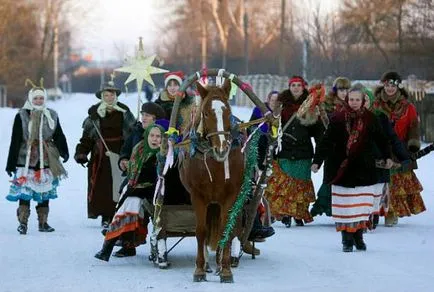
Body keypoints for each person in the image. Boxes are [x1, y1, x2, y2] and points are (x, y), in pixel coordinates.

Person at [312, 84, 393, 252]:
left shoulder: (371, 118)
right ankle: (346, 239)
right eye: (351, 99)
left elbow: (382, 139)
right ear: (347, 100)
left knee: (361, 206)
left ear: (363, 101)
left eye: (357, 99)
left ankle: (359, 236)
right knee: (345, 206)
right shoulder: (338, 117)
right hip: (342, 169)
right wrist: (317, 161)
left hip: (364, 168)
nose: (354, 102)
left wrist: (387, 157)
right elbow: (326, 141)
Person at [95, 123, 165, 262]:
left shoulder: (164, 154)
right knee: (129, 202)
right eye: (152, 135)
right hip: (136, 186)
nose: (155, 139)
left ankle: (109, 244)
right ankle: (119, 242)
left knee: (130, 203)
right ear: (147, 136)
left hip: (156, 189)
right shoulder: (139, 148)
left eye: (158, 136)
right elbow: (132, 173)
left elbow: (157, 177)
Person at [6, 80, 68, 234]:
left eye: (41, 98)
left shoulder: (51, 115)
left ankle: (43, 222)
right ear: (30, 99)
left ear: (45, 99)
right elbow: (15, 140)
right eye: (36, 98)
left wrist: (64, 151)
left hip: (46, 157)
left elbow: (59, 135)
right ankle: (23, 222)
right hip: (25, 157)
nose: (38, 101)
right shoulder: (21, 115)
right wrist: (11, 163)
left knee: (44, 190)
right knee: (25, 191)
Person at [264, 76, 325, 227]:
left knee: (300, 185)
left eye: (299, 85)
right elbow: (273, 130)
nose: (296, 88)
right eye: (293, 85)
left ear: (303, 87)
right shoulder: (281, 105)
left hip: (302, 153)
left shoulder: (312, 106)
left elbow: (319, 135)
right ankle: (285, 214)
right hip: (283, 151)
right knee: (284, 184)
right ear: (289, 87)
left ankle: (298, 214)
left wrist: (318, 160)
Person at [74, 81, 135, 229]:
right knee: (102, 187)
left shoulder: (124, 112)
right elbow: (87, 137)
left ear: (116, 96)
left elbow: (133, 133)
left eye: (112, 94)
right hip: (100, 156)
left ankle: (119, 213)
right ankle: (105, 217)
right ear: (102, 96)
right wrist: (82, 152)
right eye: (106, 95)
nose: (109, 97)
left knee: (119, 185)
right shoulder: (94, 114)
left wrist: (133, 151)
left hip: (120, 154)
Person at [372, 71, 425, 226]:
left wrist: (413, 144)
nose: (390, 88)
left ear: (398, 86)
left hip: (399, 148)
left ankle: (392, 213)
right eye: (387, 85)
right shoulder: (375, 105)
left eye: (393, 85)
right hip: (380, 148)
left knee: (396, 183)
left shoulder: (408, 107)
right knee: (378, 183)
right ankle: (374, 212)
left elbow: (413, 126)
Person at [311, 77, 351, 217]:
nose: (344, 93)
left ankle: (341, 209)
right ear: (335, 90)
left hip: (347, 148)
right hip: (331, 147)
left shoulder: (352, 104)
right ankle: (323, 205)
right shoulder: (327, 105)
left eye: (346, 89)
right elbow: (320, 127)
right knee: (329, 178)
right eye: (341, 89)